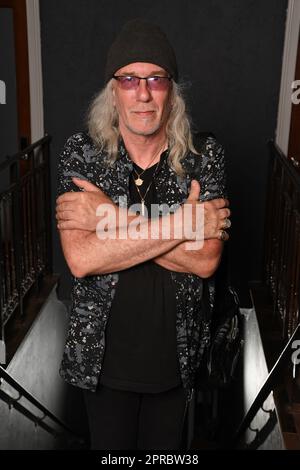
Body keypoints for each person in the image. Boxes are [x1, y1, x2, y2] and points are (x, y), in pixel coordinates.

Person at [55, 18, 231, 450]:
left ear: (172, 91)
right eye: (129, 79)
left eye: (156, 79)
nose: (143, 93)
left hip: (176, 358)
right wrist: (181, 226)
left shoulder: (203, 156)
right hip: (101, 359)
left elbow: (206, 261)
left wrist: (108, 218)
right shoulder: (82, 154)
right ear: (112, 92)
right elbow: (82, 259)